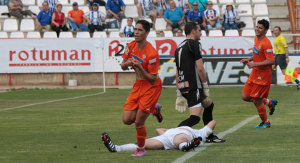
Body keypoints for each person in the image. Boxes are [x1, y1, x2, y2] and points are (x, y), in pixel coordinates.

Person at [175, 22, 225, 143]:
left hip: (184, 85)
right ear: (193, 31)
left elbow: (177, 70)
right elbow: (200, 68)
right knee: (194, 118)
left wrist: (179, 91)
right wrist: (205, 85)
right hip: (194, 85)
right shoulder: (194, 44)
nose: (201, 32)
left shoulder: (179, 46)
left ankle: (209, 135)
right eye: (199, 30)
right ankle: (173, 135)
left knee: (209, 104)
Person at [120, 20, 163, 156]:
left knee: (139, 121)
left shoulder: (151, 53)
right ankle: (154, 109)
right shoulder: (131, 46)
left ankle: (141, 149)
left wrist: (139, 66)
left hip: (151, 87)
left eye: (140, 30)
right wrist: (126, 64)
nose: (136, 32)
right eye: (135, 29)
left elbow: (153, 78)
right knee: (127, 120)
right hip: (138, 85)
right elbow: (122, 65)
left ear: (147, 33)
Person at [240, 19, 278, 128]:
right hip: (255, 72)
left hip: (263, 75)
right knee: (245, 96)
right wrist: (249, 59)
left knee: (257, 100)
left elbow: (271, 61)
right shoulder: (257, 38)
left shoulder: (266, 43)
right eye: (257, 27)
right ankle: (270, 102)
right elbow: (257, 54)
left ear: (266, 31)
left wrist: (254, 64)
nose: (257, 29)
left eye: (260, 28)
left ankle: (265, 122)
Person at [102, 120, 216, 152]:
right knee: (142, 144)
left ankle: (186, 146)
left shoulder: (198, 132)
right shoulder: (170, 130)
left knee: (180, 140)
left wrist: (207, 132)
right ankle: (116, 148)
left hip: (184, 136)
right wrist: (169, 130)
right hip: (165, 139)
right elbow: (158, 129)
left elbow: (213, 122)